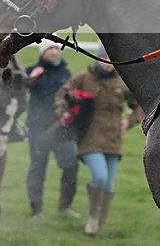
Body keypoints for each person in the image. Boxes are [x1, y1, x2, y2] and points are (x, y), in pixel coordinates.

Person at [56, 46, 143, 236]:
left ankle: (99, 223)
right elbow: (62, 94)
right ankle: (93, 219)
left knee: (109, 186)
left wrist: (129, 122)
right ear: (96, 59)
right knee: (100, 177)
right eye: (103, 58)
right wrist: (63, 113)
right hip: (89, 137)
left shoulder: (122, 82)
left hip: (113, 139)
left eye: (110, 59)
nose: (107, 63)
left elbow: (139, 105)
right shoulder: (83, 78)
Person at [24, 39, 80, 219]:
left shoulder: (66, 73)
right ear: (43, 52)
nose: (54, 52)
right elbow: (20, 87)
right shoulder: (33, 70)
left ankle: (65, 206)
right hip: (38, 129)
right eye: (50, 48)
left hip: (62, 128)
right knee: (38, 168)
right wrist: (31, 79)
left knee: (71, 165)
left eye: (56, 48)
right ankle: (36, 210)